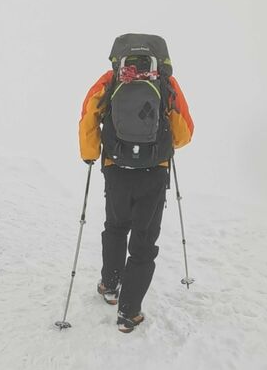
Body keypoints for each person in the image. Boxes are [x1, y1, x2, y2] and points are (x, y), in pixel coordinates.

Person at [78, 34, 194, 333]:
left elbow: (89, 115)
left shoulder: (111, 79)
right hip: (153, 173)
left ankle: (110, 285)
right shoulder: (166, 83)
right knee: (144, 243)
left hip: (116, 168)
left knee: (116, 227)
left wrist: (91, 154)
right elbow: (183, 134)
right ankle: (129, 313)